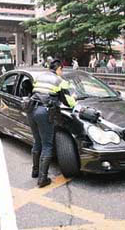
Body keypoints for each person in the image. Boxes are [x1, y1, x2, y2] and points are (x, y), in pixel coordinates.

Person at [28, 59, 77, 188]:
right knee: (47, 145)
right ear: (59, 69)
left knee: (37, 141)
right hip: (44, 112)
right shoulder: (59, 81)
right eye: (62, 70)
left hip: (31, 110)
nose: (62, 72)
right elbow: (68, 102)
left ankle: (35, 171)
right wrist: (74, 99)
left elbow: (36, 92)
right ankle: (42, 179)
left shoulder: (40, 77)